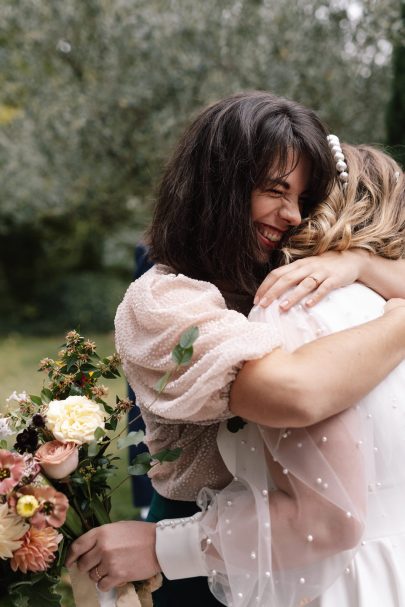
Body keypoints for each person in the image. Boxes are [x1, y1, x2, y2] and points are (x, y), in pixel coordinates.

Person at [66, 92, 405, 605]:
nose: (292, 215)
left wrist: (361, 266)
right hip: (194, 555)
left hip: (291, 542)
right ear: (219, 185)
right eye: (275, 191)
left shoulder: (284, 277)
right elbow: (293, 392)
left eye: (303, 199)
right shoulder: (163, 299)